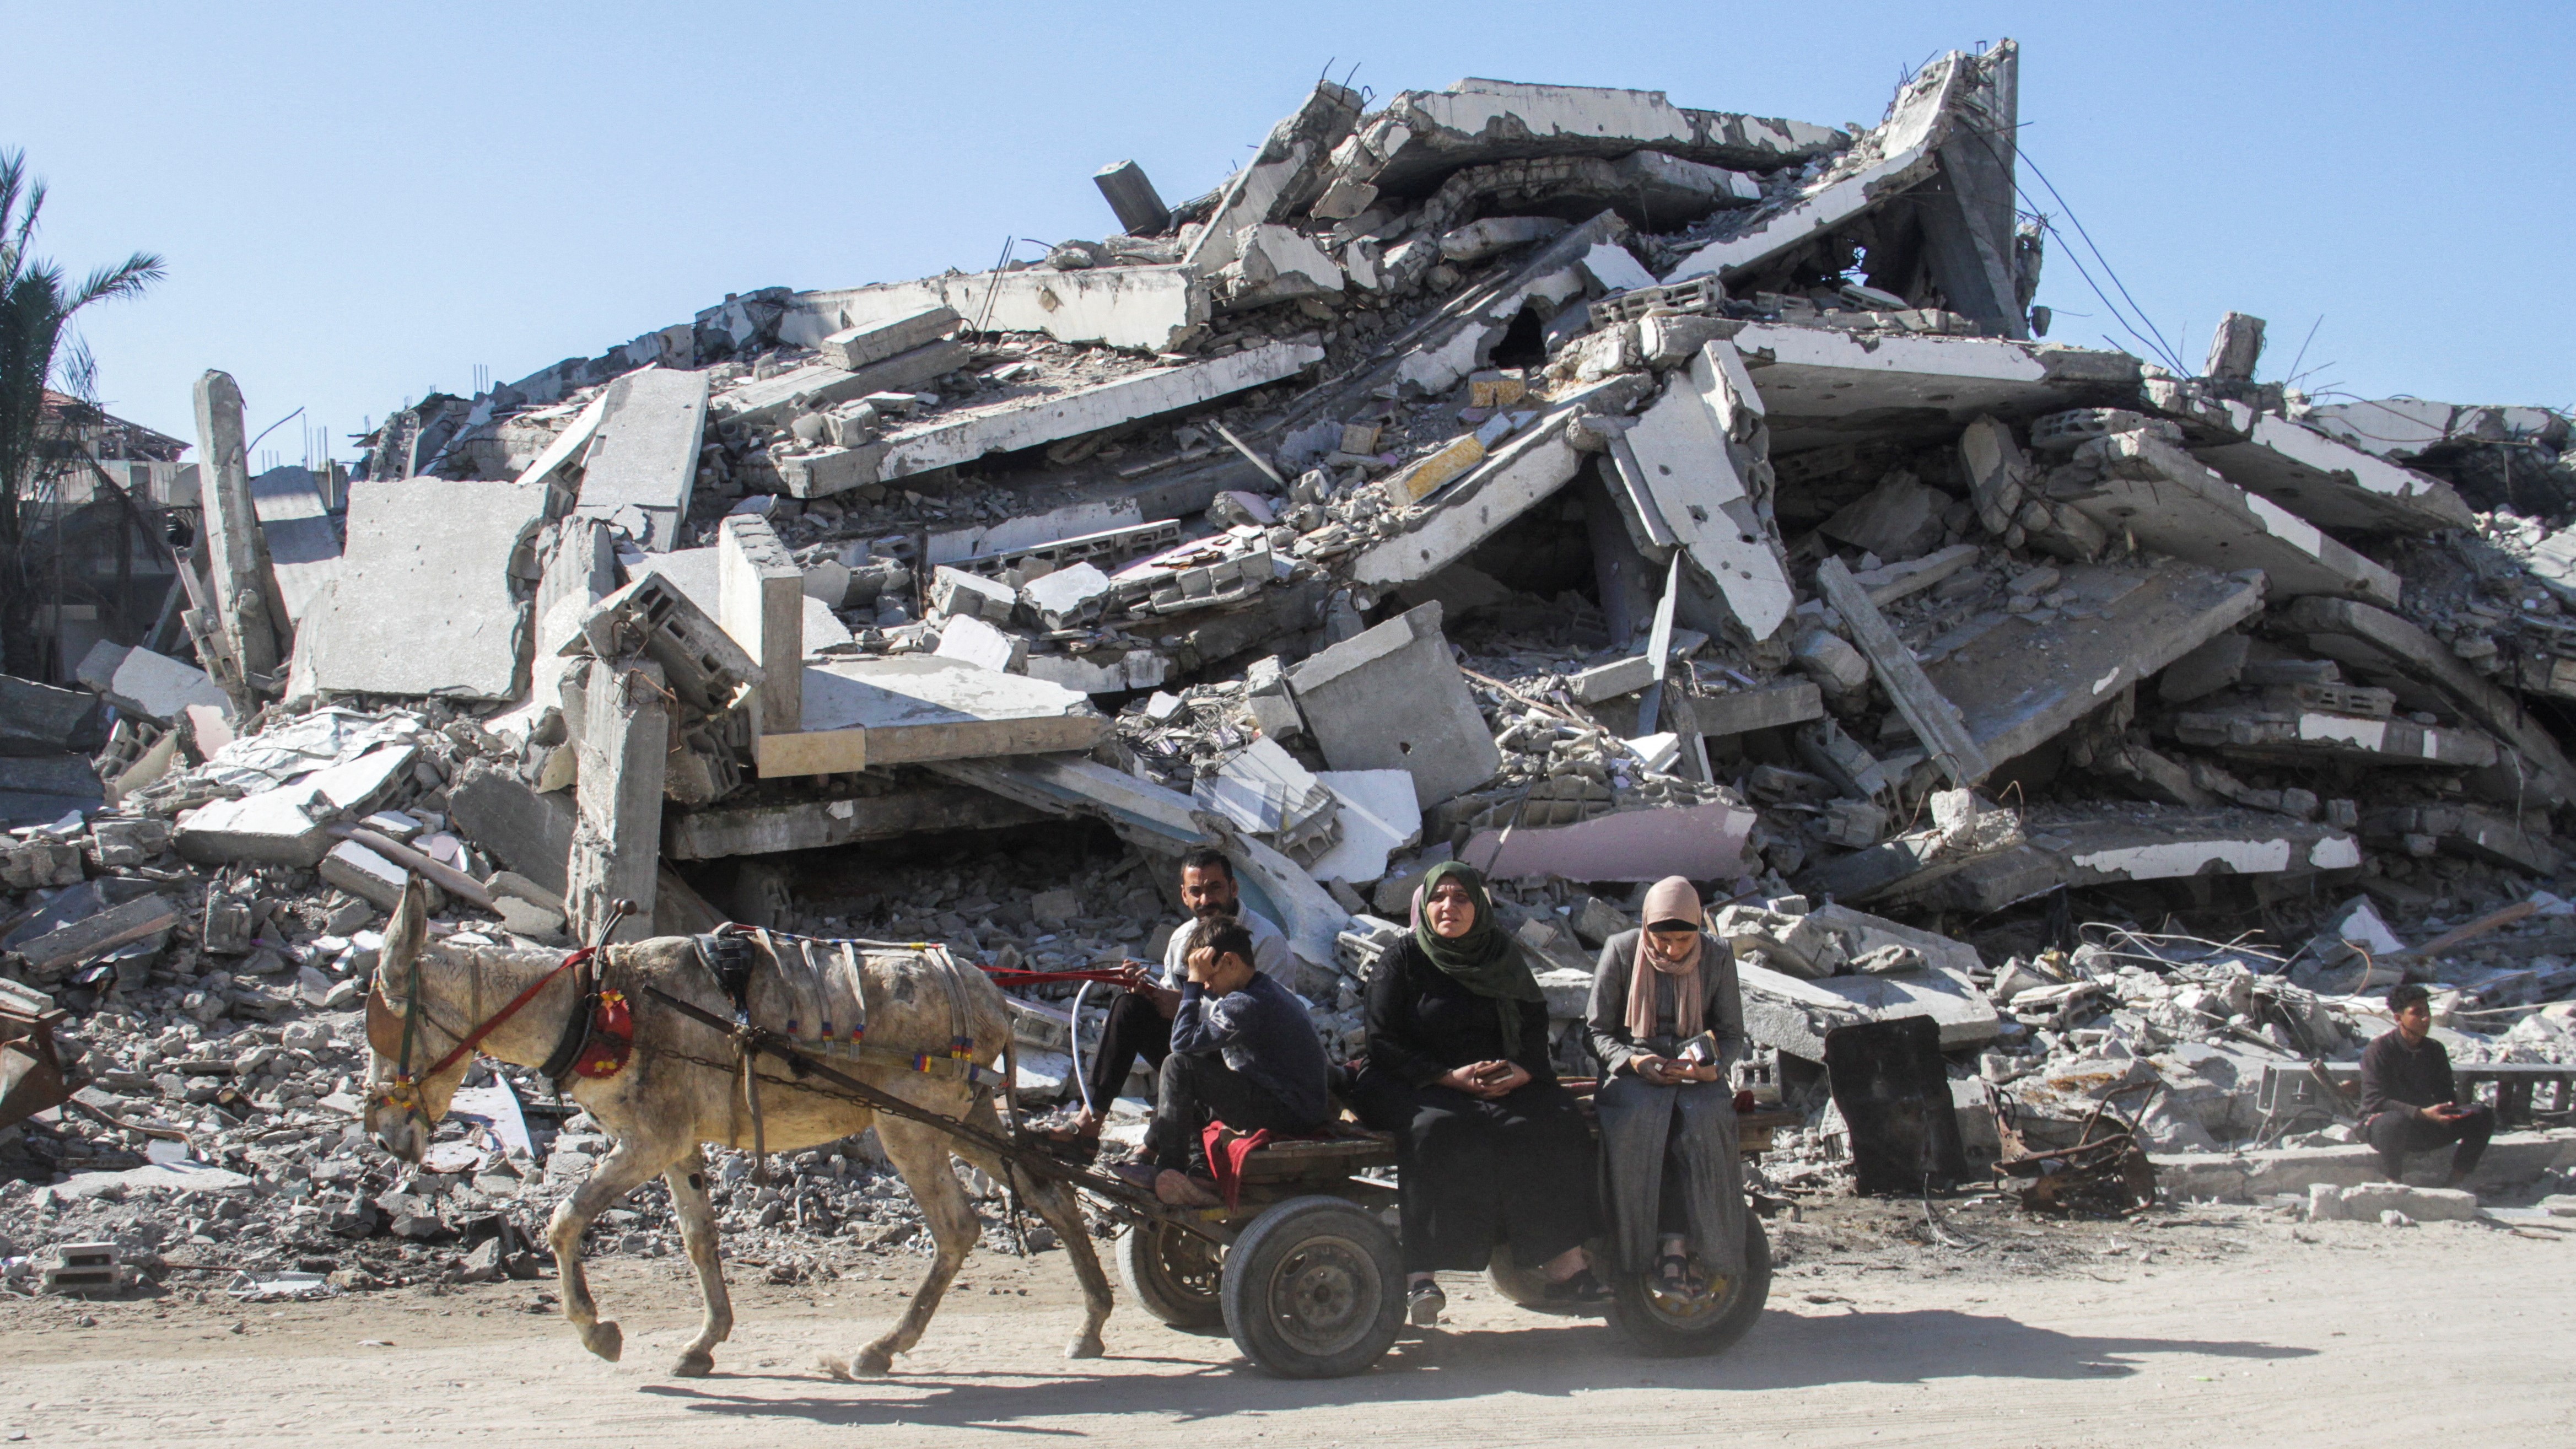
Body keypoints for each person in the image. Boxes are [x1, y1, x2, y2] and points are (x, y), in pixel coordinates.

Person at [1350, 860, 1600, 1327]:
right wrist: (1449, 1076)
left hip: (1490, 1080)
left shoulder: (1500, 956)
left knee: (1554, 1119)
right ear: (1423, 905)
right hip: (1411, 1078)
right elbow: (1383, 1042)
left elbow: (1531, 1024)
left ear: (1478, 907)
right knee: (1437, 1126)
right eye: (1439, 897)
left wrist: (1523, 1072)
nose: (1449, 907)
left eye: (1462, 897)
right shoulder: (1401, 960)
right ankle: (1421, 1273)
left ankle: (1564, 1261)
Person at [1586, 877, 1748, 1300]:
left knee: (1700, 1123)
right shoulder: (1622, 950)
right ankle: (1636, 1252)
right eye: (1662, 939)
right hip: (1635, 1073)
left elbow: (1731, 1034)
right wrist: (1636, 1060)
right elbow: (1598, 1032)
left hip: (1696, 1076)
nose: (1672, 950)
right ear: (1646, 929)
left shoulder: (1717, 955)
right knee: (1642, 1128)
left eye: (1682, 938)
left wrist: (1710, 1067)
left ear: (1698, 928)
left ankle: (1697, 1248)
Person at [1071, 847, 1289, 1137]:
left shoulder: (1266, 940)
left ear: (1234, 888)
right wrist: (1150, 994)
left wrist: (1191, 1007)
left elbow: (1275, 1017)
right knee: (1129, 1007)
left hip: (1249, 1064)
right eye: (1196, 891)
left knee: (1181, 1063)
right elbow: (1172, 999)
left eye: (1215, 888)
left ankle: (1155, 1147)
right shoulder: (1182, 939)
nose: (1206, 900)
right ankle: (1090, 1121)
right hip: (1199, 1043)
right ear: (1184, 895)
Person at [1113, 918, 1332, 1206]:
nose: (1206, 985)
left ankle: (1169, 1168)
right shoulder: (1264, 990)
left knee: (1179, 1066)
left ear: (1230, 962)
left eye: (1208, 976)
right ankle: (1198, 1173)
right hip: (1293, 1103)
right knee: (1198, 1065)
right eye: (1200, 979)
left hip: (1290, 1111)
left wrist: (1191, 987)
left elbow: (1180, 1044)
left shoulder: (1246, 1002)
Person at [2359, 983, 2493, 1187]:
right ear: (2398, 1018)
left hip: (2426, 1124)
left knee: (2482, 1115)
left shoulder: (2435, 1050)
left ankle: (2456, 1181)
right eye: (2417, 1013)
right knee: (2394, 1123)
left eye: (2427, 1011)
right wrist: (2420, 1112)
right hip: (2386, 1126)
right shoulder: (2379, 1049)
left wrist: (2448, 1112)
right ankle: (2394, 1182)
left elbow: (2445, 1092)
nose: (2426, 1018)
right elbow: (2375, 1101)